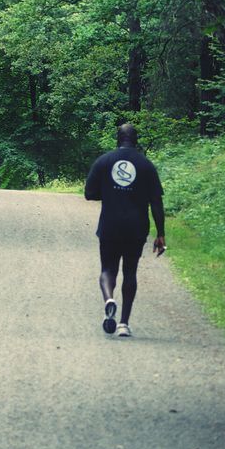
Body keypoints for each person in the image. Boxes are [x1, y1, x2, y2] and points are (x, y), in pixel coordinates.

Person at [84, 123, 165, 337]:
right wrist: (161, 234)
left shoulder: (104, 161)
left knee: (107, 270)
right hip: (136, 228)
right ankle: (123, 324)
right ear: (136, 140)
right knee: (130, 272)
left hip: (110, 225)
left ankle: (109, 299)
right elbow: (156, 202)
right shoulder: (146, 165)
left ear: (117, 139)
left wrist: (110, 194)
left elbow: (89, 193)